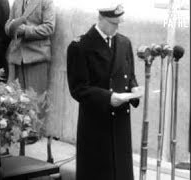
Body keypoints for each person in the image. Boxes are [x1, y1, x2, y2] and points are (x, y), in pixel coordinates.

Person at [67, 3, 143, 180]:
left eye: (118, 23)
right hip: (96, 122)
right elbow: (78, 88)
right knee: (98, 172)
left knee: (121, 171)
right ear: (100, 18)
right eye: (113, 23)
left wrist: (134, 88)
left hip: (121, 121)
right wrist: (108, 97)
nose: (116, 27)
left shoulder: (124, 42)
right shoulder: (80, 46)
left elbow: (129, 74)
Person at [5, 0, 55, 95]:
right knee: (15, 100)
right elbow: (8, 23)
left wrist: (25, 30)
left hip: (37, 57)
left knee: (35, 100)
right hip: (16, 56)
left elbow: (49, 28)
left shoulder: (46, 2)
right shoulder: (17, 2)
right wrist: (11, 28)